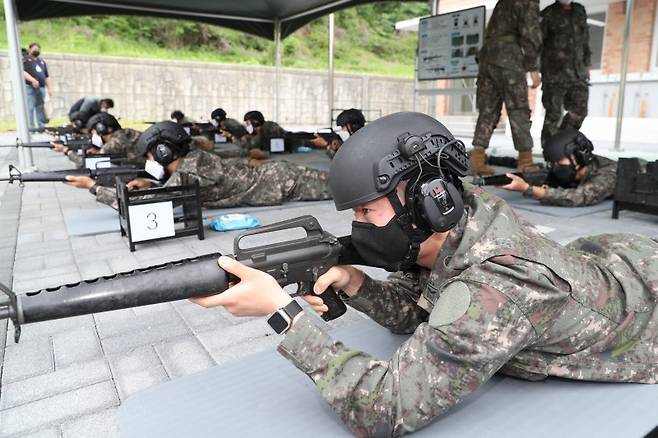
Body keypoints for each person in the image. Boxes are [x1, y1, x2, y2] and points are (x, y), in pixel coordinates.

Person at [191, 112, 657, 436]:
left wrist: (283, 315)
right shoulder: (461, 219)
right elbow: (426, 311)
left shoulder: (498, 289)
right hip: (605, 263)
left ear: (430, 201)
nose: (358, 227)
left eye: (368, 211)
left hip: (644, 312)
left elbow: (384, 408)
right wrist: (358, 285)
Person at [65, 121, 332, 209]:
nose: (148, 161)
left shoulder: (188, 172)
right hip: (277, 175)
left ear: (164, 152)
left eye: (150, 155)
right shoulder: (192, 160)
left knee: (348, 187)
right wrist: (152, 181)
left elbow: (144, 203)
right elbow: (174, 183)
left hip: (282, 183)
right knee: (344, 182)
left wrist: (93, 187)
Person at [470, 0, 543, 175]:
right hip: (508, 59)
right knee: (518, 107)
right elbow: (530, 32)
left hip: (487, 58)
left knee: (488, 110)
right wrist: (533, 67)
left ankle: (476, 158)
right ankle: (526, 161)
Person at [500, 129, 617, 206]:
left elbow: (579, 197)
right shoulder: (573, 168)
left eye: (560, 160)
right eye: (553, 162)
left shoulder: (608, 171)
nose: (556, 166)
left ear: (579, 156)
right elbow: (545, 176)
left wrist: (527, 189)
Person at [540, 0, 592, 147]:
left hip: (578, 73)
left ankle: (562, 144)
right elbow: (537, 44)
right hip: (554, 74)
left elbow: (585, 40)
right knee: (553, 115)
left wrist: (587, 64)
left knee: (580, 111)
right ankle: (551, 153)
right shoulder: (548, 14)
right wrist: (536, 70)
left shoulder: (580, 11)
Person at [51, 113, 144, 168]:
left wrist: (66, 151)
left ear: (102, 129)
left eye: (94, 133)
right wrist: (98, 152)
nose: (93, 136)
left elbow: (86, 164)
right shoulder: (127, 132)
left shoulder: (113, 144)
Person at [23, 43, 52, 130]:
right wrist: (32, 80)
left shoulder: (41, 62)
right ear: (29, 50)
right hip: (30, 88)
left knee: (40, 107)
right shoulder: (25, 60)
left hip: (41, 88)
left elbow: (47, 76)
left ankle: (41, 126)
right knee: (30, 107)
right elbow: (23, 72)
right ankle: (31, 127)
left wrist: (50, 88)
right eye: (34, 49)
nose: (36, 50)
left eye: (38, 49)